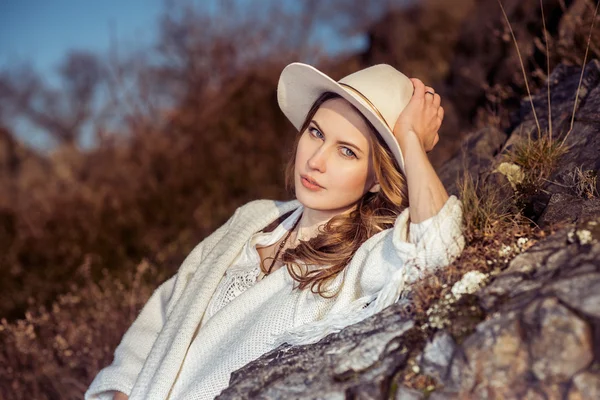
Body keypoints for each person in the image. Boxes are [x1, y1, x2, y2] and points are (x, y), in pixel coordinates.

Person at [85, 62, 465, 400]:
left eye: (347, 151)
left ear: (378, 179)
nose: (315, 161)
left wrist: (411, 140)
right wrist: (119, 390)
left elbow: (440, 247)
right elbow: (163, 313)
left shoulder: (366, 257)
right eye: (316, 133)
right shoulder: (254, 219)